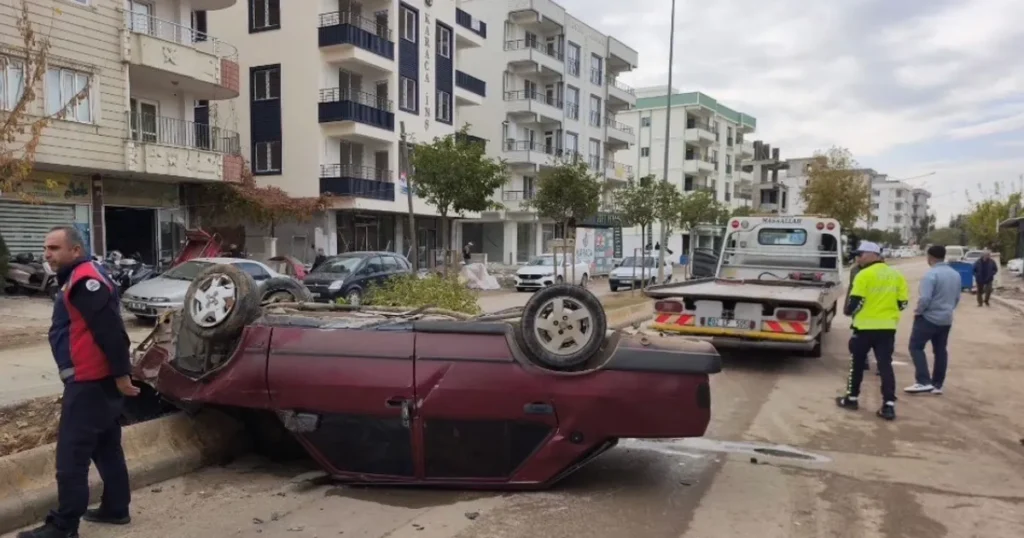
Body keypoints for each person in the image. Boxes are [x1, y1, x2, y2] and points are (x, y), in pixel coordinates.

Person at [20, 226, 140, 538]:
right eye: (46, 248)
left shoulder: (86, 280)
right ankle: (116, 508)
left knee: (71, 456)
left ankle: (63, 526)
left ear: (75, 250)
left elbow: (111, 330)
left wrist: (122, 374)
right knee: (106, 447)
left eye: (55, 248)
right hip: (97, 381)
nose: (48, 254)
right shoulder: (83, 276)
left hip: (89, 383)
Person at [835, 240, 909, 421]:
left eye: (860, 254)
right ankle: (888, 405)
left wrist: (853, 312)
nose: (857, 258)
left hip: (864, 328)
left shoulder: (863, 275)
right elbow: (902, 303)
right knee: (885, 366)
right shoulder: (896, 275)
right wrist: (886, 312)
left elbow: (855, 303)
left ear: (873, 255)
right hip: (887, 329)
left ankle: (851, 398)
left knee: (857, 364)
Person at [905, 245, 961, 395]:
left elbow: (925, 298)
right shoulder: (955, 274)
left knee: (916, 347)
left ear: (930, 257)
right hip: (946, 319)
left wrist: (918, 312)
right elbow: (956, 298)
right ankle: (937, 384)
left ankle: (923, 381)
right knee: (940, 350)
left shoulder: (931, 275)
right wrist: (948, 310)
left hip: (929, 318)